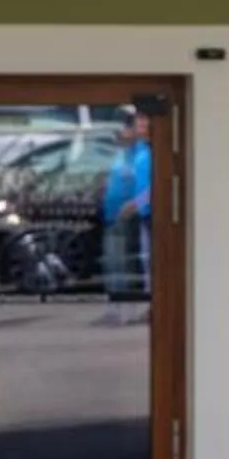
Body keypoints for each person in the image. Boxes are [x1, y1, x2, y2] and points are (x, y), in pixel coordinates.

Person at [101, 108, 152, 320]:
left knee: (145, 260)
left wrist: (136, 203)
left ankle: (148, 304)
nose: (121, 133)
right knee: (137, 260)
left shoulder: (146, 150)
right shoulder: (128, 152)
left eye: (142, 120)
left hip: (144, 213)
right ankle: (119, 306)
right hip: (122, 215)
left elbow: (158, 183)